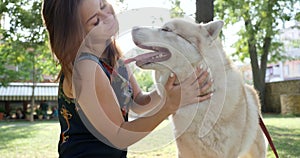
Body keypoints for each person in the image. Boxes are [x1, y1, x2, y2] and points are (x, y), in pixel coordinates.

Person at [42, 0, 213, 157]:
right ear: (76, 35)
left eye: (102, 5)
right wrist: (169, 106)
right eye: (96, 21)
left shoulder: (113, 55)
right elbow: (119, 136)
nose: (107, 16)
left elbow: (138, 102)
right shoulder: (86, 69)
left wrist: (174, 88)